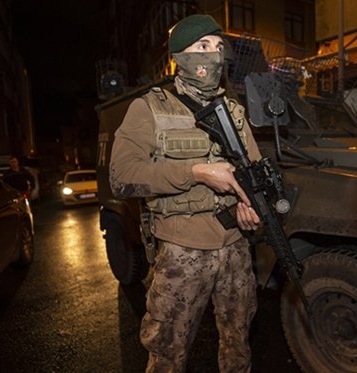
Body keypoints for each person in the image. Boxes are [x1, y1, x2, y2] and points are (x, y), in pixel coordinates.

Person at [109, 14, 262, 373]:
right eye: (203, 47)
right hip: (182, 252)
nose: (214, 55)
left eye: (219, 47)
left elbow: (253, 174)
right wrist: (196, 172)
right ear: (181, 55)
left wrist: (251, 208)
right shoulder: (150, 108)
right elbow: (122, 177)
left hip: (235, 248)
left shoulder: (235, 112)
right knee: (168, 352)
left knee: (238, 344)